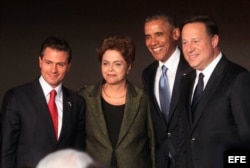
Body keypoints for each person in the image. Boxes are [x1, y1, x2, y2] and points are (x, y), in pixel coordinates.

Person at [0, 36, 85, 168]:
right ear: (40, 61)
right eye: (48, 62)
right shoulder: (16, 98)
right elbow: (6, 151)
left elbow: (78, 152)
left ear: (68, 66)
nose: (53, 70)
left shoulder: (77, 102)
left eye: (60, 64)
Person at [179, 15, 250, 168]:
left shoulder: (238, 78)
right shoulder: (185, 81)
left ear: (214, 41)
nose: (189, 48)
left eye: (195, 41)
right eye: (184, 42)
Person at [78, 35, 155, 168]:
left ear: (129, 67)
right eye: (105, 63)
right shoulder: (84, 97)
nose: (110, 69)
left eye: (117, 64)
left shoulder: (144, 98)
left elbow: (153, 143)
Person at [142, 12, 192, 168]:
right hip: (161, 161)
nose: (153, 42)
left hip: (191, 160)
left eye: (158, 34)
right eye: (148, 36)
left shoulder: (193, 67)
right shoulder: (148, 74)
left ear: (176, 34)